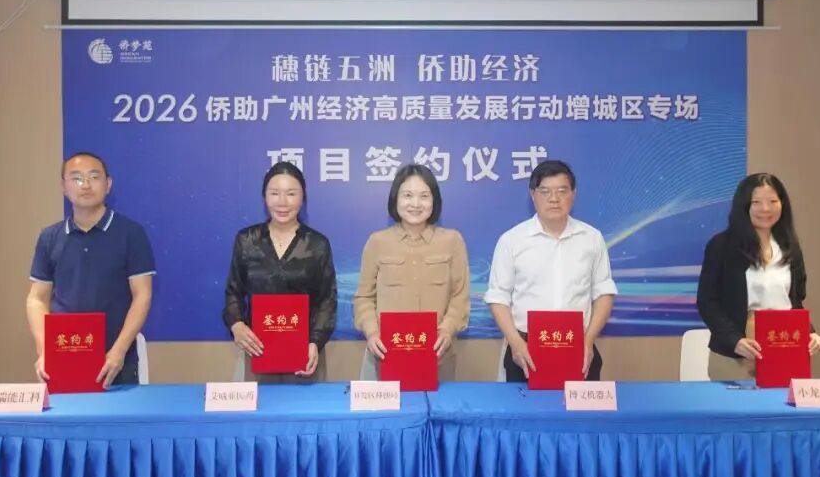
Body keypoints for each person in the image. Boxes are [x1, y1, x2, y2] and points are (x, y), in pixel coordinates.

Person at [27, 152, 156, 388]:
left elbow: (142, 296)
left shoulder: (131, 234)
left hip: (116, 361)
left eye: (94, 177)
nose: (85, 185)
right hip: (63, 358)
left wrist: (119, 351)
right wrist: (45, 350)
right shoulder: (49, 237)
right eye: (76, 178)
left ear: (108, 184)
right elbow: (37, 299)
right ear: (63, 187)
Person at [484, 159, 617, 382]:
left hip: (578, 347)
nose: (554, 198)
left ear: (573, 194)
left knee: (579, 406)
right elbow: (498, 297)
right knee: (523, 405)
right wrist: (515, 342)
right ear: (532, 195)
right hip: (525, 349)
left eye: (562, 191)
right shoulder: (512, 240)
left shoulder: (592, 238)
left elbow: (603, 293)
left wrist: (588, 340)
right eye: (545, 191)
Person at [696, 172, 820, 380]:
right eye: (756, 202)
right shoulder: (721, 246)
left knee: (781, 401)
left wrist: (809, 332)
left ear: (782, 204)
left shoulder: (790, 248)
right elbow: (707, 301)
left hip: (784, 347)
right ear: (744, 205)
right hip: (738, 351)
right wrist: (734, 340)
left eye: (773, 201)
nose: (765, 209)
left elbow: (795, 303)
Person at [354, 164, 470, 381]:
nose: (415, 204)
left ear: (434, 201)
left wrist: (446, 330)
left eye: (424, 196)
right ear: (395, 199)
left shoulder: (452, 241)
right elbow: (364, 297)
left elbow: (460, 295)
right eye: (407, 195)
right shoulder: (377, 242)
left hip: (437, 357)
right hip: (385, 356)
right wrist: (372, 332)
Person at [223, 161, 336, 383]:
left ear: (302, 198)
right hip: (258, 351)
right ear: (264, 197)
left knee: (305, 406)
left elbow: (327, 300)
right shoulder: (247, 240)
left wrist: (315, 342)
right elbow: (233, 291)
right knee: (261, 406)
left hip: (305, 354)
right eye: (274, 193)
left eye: (291, 194)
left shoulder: (318, 244)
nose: (282, 202)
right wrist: (236, 324)